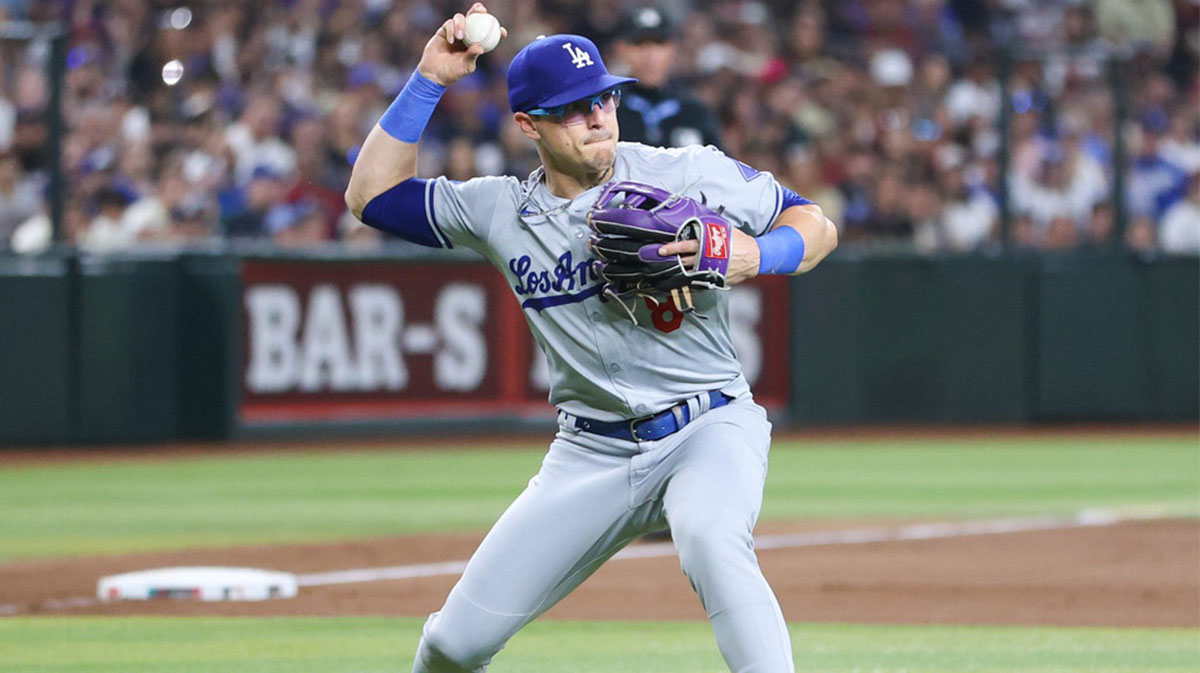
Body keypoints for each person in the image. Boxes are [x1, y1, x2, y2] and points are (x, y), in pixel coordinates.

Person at [344, 5, 837, 671]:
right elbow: (370, 194)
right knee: (450, 646)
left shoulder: (682, 171)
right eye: (574, 107)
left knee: (709, 538)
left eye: (603, 97)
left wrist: (757, 253)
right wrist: (431, 79)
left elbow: (817, 226)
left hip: (708, 424)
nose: (598, 114)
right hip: (589, 452)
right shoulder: (499, 211)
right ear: (528, 125)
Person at [613, 6, 723, 149]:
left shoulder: (694, 111)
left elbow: (720, 164)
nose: (649, 54)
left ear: (673, 49)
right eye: (639, 43)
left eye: (658, 43)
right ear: (622, 50)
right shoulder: (609, 108)